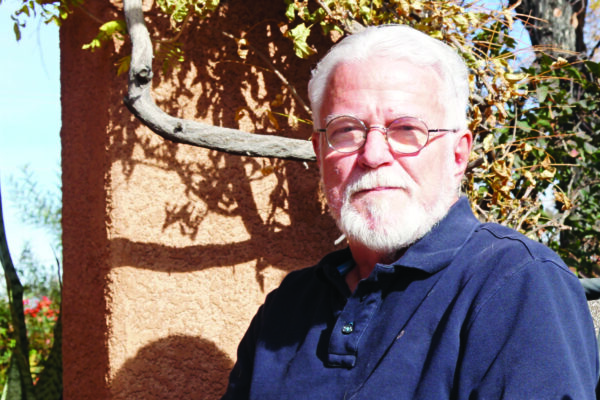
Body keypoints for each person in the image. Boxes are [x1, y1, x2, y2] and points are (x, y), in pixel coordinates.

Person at [222, 25, 598, 399]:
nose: (372, 155)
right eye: (346, 130)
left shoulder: (515, 282)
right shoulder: (288, 306)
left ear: (457, 154)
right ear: (320, 154)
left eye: (405, 129)